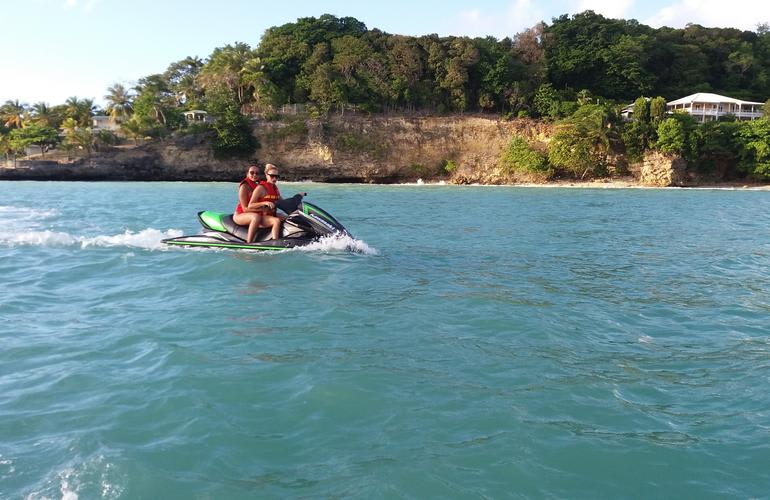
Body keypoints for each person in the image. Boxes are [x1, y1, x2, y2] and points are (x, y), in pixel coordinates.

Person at [248, 163, 285, 240]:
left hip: (271, 215)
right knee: (276, 221)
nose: (274, 179)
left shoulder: (275, 188)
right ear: (266, 175)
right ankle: (275, 242)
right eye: (272, 176)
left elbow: (283, 202)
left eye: (276, 176)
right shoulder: (260, 188)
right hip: (261, 217)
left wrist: (296, 199)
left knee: (288, 218)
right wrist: (265, 202)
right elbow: (250, 205)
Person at [232, 165, 263, 243]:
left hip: (253, 212)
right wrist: (262, 209)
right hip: (240, 214)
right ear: (247, 174)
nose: (254, 175)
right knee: (256, 217)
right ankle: (249, 242)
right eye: (252, 173)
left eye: (257, 173)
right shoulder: (244, 187)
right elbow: (245, 208)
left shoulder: (259, 186)